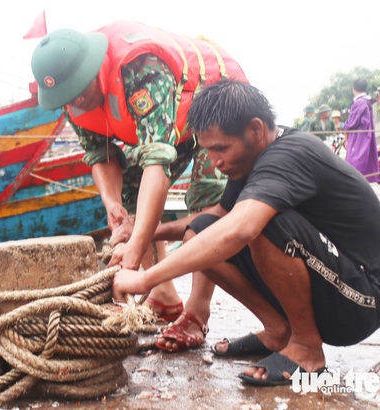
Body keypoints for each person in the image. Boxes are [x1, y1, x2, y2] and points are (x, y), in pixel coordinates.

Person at [112, 79, 380, 386]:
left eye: (221, 149)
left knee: (263, 224)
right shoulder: (252, 158)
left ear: (256, 130)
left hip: (364, 298)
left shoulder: (288, 156)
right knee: (199, 231)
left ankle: (306, 349)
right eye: (209, 151)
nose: (215, 162)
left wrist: (144, 279)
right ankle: (278, 332)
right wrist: (148, 233)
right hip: (332, 280)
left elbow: (240, 228)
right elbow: (220, 215)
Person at [31, 24, 246, 351]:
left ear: (91, 70)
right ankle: (163, 295)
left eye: (79, 91)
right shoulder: (68, 95)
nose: (75, 100)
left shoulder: (142, 69)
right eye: (67, 96)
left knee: (207, 201)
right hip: (174, 126)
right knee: (131, 199)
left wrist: (132, 254)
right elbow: (100, 155)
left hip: (216, 102)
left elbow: (156, 164)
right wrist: (112, 203)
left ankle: (197, 311)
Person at [343, 78, 380, 183]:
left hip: (359, 136)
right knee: (363, 159)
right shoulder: (366, 101)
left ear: (354, 89)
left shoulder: (359, 102)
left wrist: (345, 129)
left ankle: (355, 183)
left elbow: (352, 122)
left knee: (355, 160)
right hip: (366, 134)